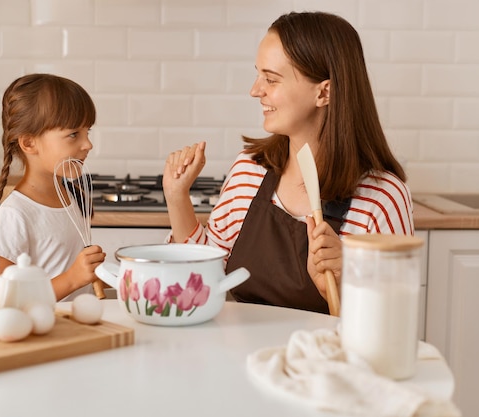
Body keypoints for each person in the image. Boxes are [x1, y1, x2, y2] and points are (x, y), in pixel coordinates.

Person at [162, 12, 414, 314]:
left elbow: (395, 323)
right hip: (240, 358)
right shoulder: (248, 171)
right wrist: (178, 198)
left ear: (324, 92)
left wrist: (345, 284)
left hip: (323, 360)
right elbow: (203, 281)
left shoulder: (381, 198)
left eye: (271, 79)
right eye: (258, 75)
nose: (255, 90)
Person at [0, 73, 106, 301]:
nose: (88, 144)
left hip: (74, 326)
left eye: (87, 132)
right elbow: (8, 296)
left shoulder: (70, 196)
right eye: (73, 134)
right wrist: (73, 278)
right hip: (44, 332)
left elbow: (70, 274)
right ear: (29, 143)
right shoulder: (15, 215)